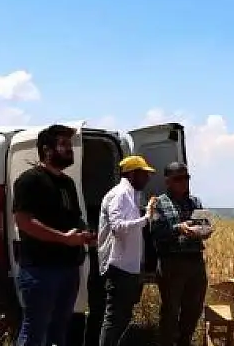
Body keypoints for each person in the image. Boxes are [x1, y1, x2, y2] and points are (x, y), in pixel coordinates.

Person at [11, 124, 96, 346]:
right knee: (34, 332)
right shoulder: (30, 180)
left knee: (59, 331)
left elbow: (74, 217)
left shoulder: (67, 183)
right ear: (47, 150)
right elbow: (24, 221)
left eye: (70, 144)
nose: (70, 149)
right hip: (40, 270)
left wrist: (85, 234)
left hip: (68, 268)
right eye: (64, 145)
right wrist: (64, 238)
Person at [96, 155, 158, 346]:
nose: (147, 179)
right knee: (114, 319)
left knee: (121, 317)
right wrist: (145, 218)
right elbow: (118, 226)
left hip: (128, 266)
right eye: (144, 174)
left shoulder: (130, 194)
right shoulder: (120, 194)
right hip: (119, 265)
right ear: (132, 173)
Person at [148, 162, 211, 346]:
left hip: (195, 261)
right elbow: (155, 232)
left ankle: (185, 341)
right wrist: (178, 229)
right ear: (168, 181)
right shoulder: (158, 203)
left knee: (193, 308)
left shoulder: (195, 201)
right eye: (178, 179)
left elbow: (206, 225)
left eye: (186, 178)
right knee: (170, 310)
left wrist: (204, 231)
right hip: (171, 263)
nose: (183, 182)